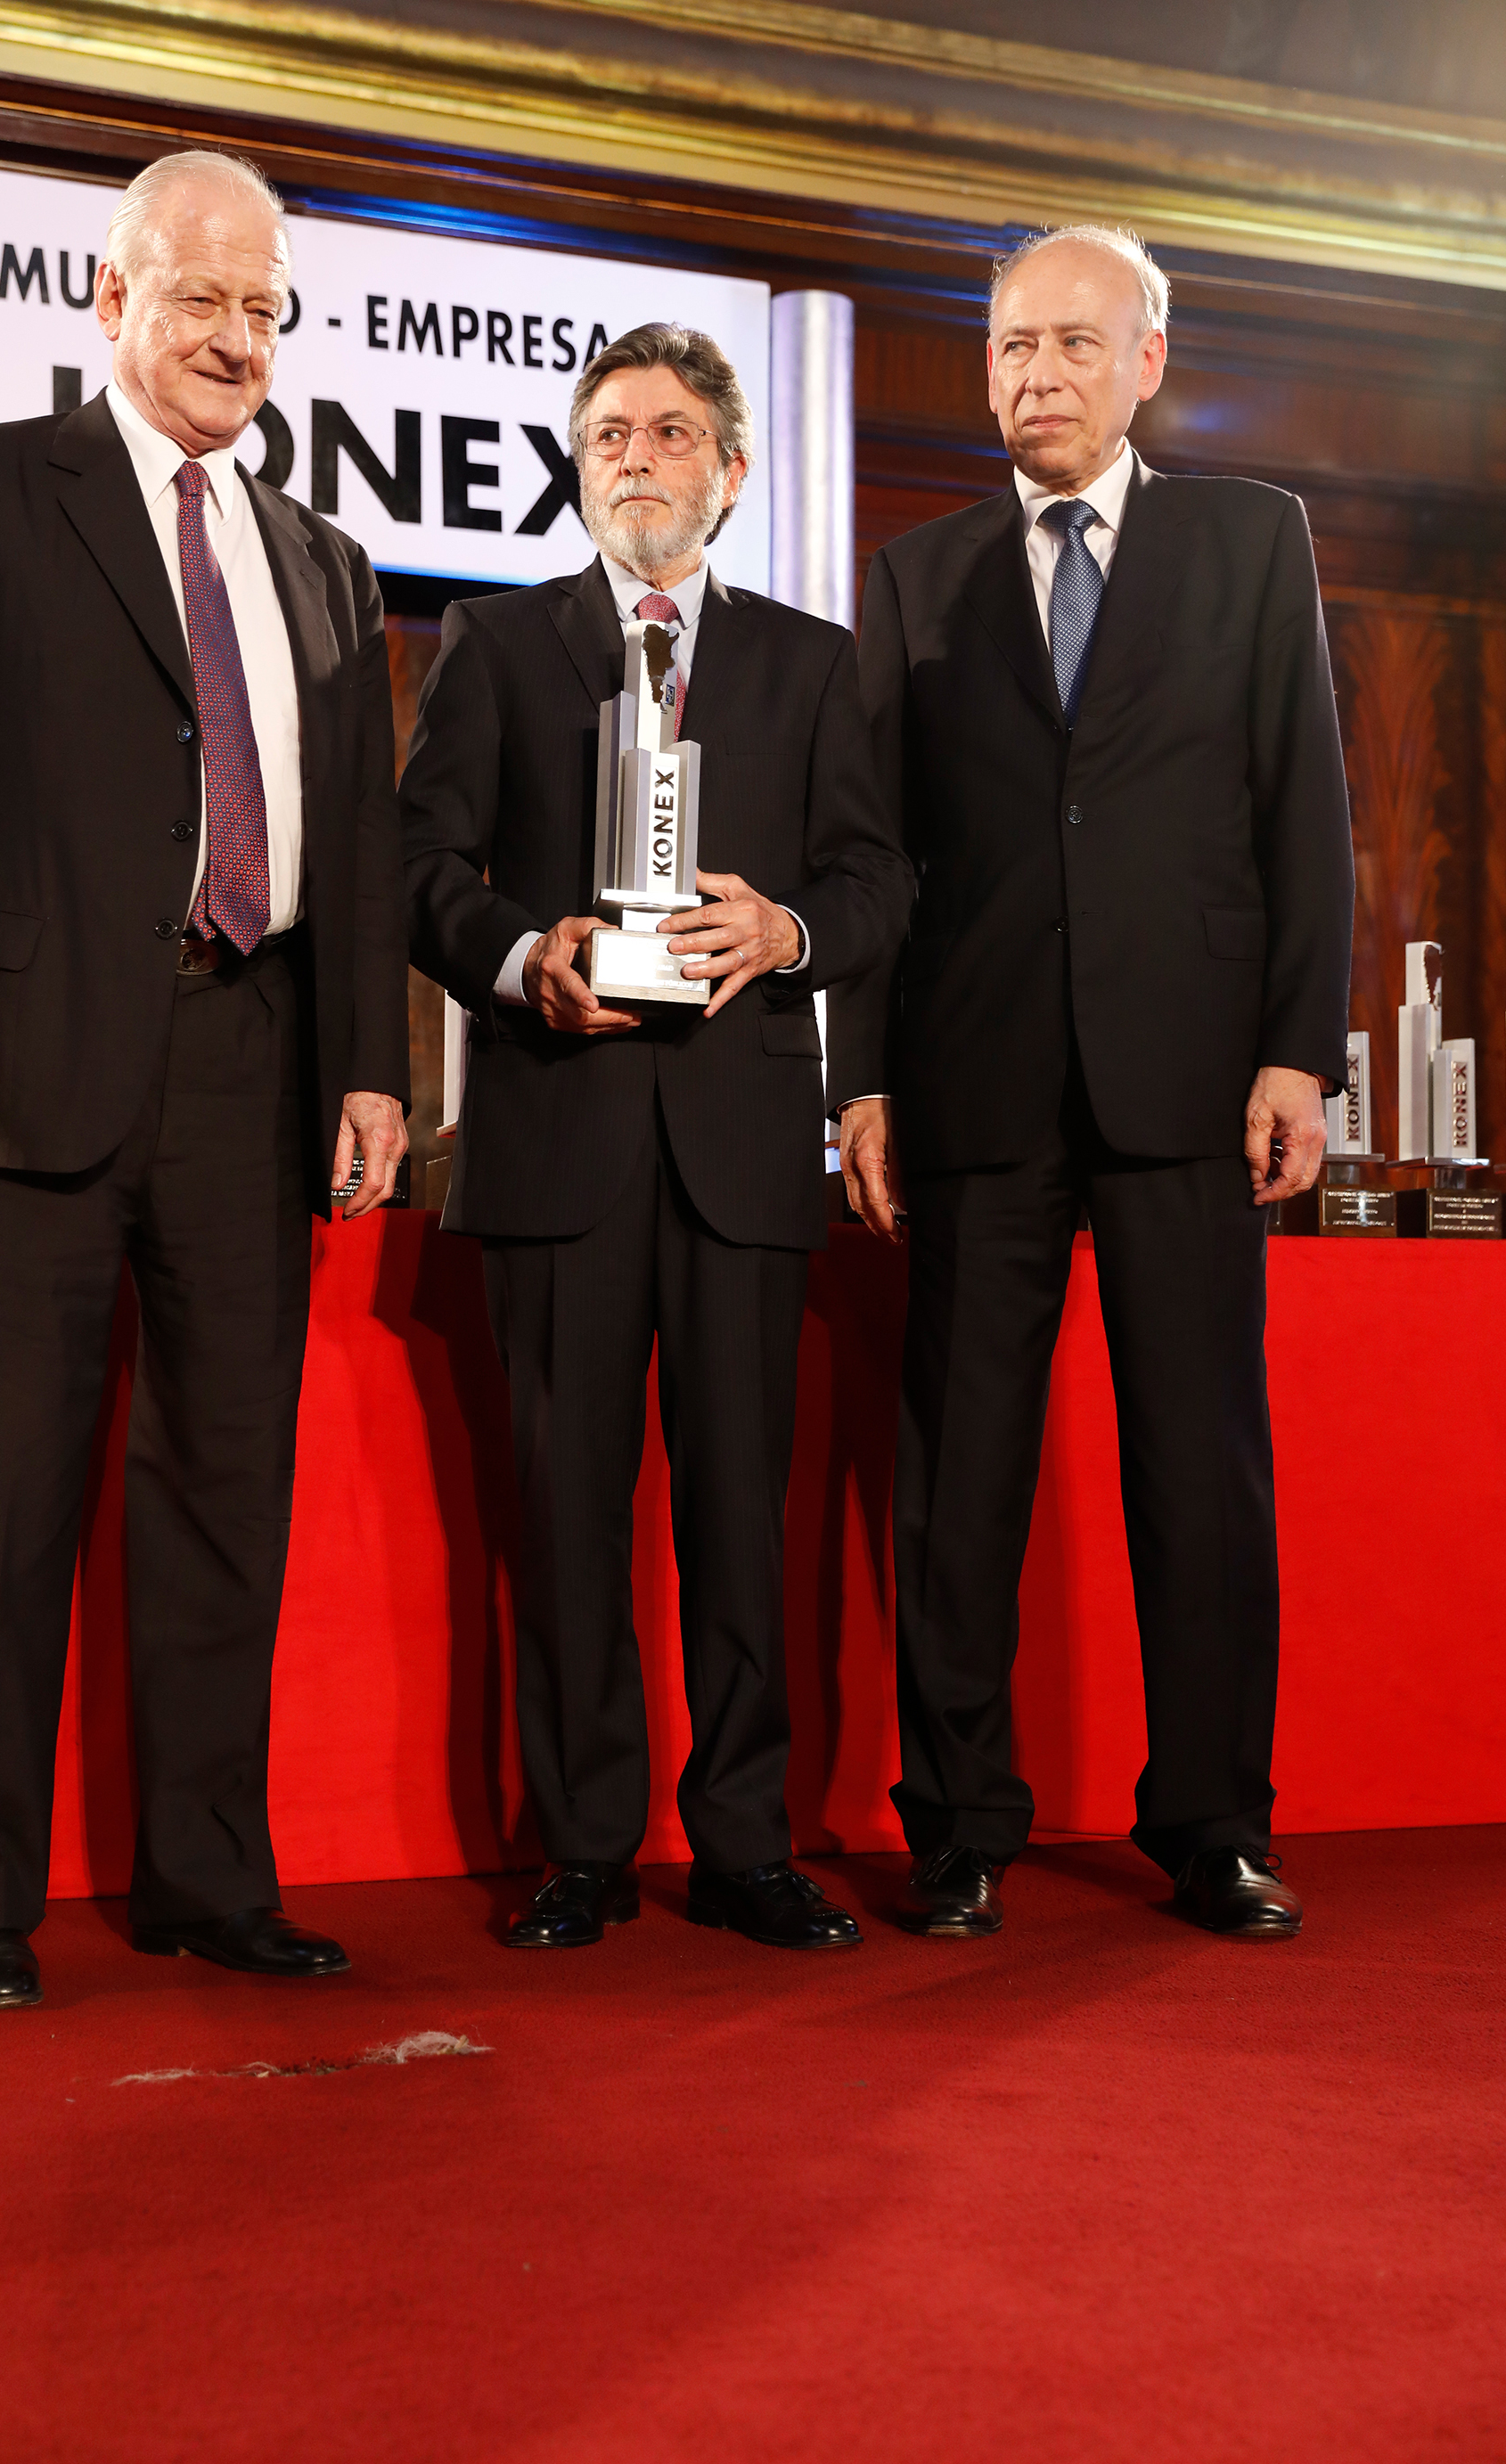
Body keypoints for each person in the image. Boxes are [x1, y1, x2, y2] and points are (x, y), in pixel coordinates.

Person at [0, 151, 409, 2009]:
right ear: (113, 300)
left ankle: (205, 1876)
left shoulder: (323, 557)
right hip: (17, 1065)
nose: (237, 335)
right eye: (202, 297)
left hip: (250, 1064)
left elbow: (365, 851)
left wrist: (371, 1067)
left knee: (227, 1489)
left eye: (264, 308)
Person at [834, 224, 1354, 1942]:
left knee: (1199, 1468)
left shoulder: (1248, 539)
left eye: (1069, 345)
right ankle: (961, 1823)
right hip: (972, 1075)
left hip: (1193, 1074)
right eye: (1007, 350)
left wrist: (1298, 1047)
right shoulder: (916, 577)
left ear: (1146, 361)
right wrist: (867, 1083)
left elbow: (1304, 813)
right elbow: (873, 853)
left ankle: (1213, 1824)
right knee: (958, 1473)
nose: (1032, 377)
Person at [400, 323, 913, 1952]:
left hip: (743, 1151)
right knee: (564, 1516)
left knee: (736, 1517)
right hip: (558, 1136)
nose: (640, 454)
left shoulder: (813, 664)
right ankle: (583, 1844)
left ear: (733, 472)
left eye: (676, 430)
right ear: (577, 464)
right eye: (611, 430)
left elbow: (881, 886)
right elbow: (419, 867)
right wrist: (517, 953)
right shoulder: (496, 647)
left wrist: (787, 936)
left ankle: (747, 1842)